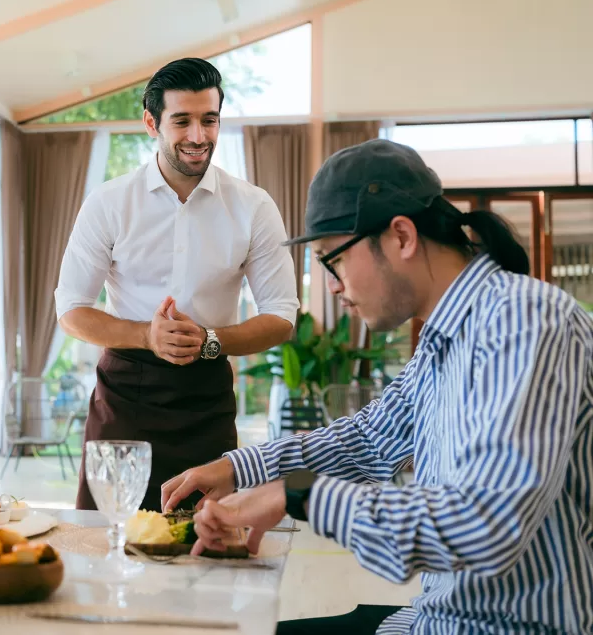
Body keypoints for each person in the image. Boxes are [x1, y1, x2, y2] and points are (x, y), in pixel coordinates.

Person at [162, 139, 593, 634]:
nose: (332, 286)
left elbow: (485, 523)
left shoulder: (524, 321)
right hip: (433, 619)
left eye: (333, 259)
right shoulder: (442, 340)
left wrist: (299, 495)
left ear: (402, 237)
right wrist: (239, 468)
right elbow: (368, 440)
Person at [55, 58, 299, 512]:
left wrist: (209, 341)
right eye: (182, 121)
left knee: (207, 547)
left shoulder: (254, 206)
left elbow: (282, 317)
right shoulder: (109, 203)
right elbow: (71, 309)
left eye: (209, 120)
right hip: (123, 399)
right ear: (152, 123)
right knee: (104, 547)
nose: (198, 136)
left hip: (207, 402)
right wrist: (146, 335)